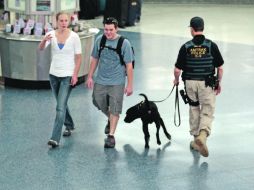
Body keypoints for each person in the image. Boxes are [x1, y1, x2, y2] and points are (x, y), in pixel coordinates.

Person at [173, 16, 224, 157]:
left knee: (194, 108)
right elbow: (220, 68)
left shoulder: (186, 47)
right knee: (207, 110)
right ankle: (203, 135)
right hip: (206, 83)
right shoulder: (211, 45)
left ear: (192, 29)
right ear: (202, 28)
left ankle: (196, 140)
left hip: (190, 83)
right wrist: (218, 83)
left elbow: (177, 70)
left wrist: (176, 80)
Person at [86, 17, 134, 148]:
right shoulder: (100, 40)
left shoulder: (124, 43)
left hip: (117, 82)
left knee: (115, 108)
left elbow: (129, 65)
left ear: (116, 29)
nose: (108, 32)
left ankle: (111, 136)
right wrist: (90, 76)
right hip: (101, 79)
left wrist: (129, 84)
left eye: (111, 30)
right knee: (97, 101)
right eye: (106, 29)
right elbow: (95, 58)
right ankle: (110, 117)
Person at [38, 12, 82, 148]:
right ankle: (69, 124)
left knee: (59, 107)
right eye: (61, 21)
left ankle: (55, 138)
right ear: (56, 21)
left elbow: (78, 57)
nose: (63, 23)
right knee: (61, 103)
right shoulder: (51, 34)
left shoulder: (74, 37)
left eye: (66, 20)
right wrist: (44, 40)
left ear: (69, 21)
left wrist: (75, 75)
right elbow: (40, 49)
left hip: (67, 76)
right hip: (53, 75)